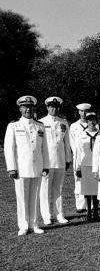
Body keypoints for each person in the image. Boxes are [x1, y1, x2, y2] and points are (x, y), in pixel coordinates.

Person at [4, 96, 49, 236]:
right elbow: (8, 148)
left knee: (35, 197)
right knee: (22, 198)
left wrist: (46, 165)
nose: (28, 109)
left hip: (37, 167)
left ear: (33, 108)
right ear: (20, 109)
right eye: (25, 107)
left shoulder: (40, 126)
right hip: (21, 168)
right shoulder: (14, 125)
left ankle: (34, 224)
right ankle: (23, 225)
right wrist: (12, 167)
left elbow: (45, 149)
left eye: (30, 107)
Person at [40, 96, 72, 225]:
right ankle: (47, 216)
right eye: (51, 106)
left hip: (60, 160)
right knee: (45, 189)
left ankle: (59, 214)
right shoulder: (41, 122)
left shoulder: (63, 123)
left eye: (56, 106)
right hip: (46, 161)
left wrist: (68, 159)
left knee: (58, 188)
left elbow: (67, 142)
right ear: (47, 107)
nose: (54, 109)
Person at [74, 112, 100, 222]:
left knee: (96, 191)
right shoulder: (81, 135)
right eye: (90, 121)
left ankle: (96, 211)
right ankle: (89, 211)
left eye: (94, 121)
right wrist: (77, 168)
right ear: (87, 123)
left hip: (97, 165)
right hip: (85, 165)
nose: (92, 123)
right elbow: (78, 153)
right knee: (87, 191)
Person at [69, 103, 91, 213]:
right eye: (82, 111)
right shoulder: (74, 126)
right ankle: (80, 205)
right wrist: (76, 155)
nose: (84, 113)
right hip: (78, 156)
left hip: (89, 156)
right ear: (78, 112)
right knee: (78, 180)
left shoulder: (93, 125)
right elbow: (72, 143)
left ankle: (90, 205)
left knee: (89, 180)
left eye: (86, 111)